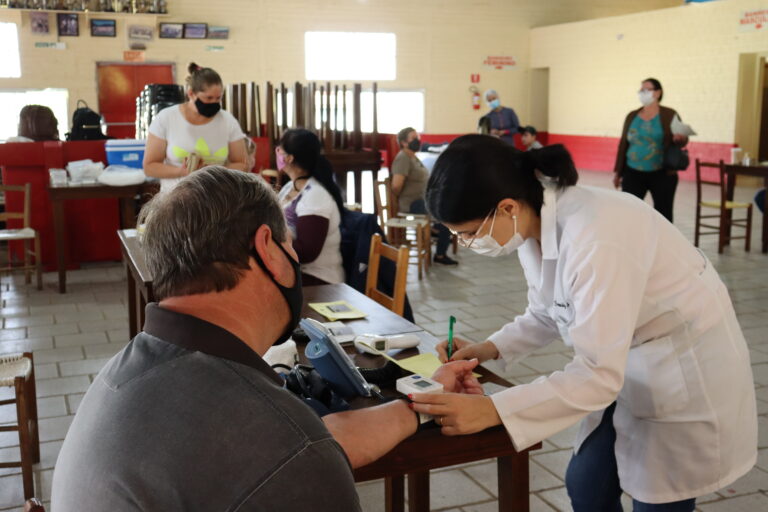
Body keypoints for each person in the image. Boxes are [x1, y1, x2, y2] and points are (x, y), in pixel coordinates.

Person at [51, 167, 483, 511]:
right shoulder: (283, 445)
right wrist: (305, 444)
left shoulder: (131, 368)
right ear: (268, 250)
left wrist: (423, 402)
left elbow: (321, 438)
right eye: (288, 244)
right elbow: (297, 449)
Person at [411, 135, 757, 512]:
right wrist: (489, 348)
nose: (465, 244)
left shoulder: (594, 238)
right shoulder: (533, 222)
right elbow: (549, 309)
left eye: (468, 233)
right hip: (621, 355)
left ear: (507, 207)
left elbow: (597, 374)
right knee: (587, 484)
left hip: (679, 365)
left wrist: (493, 410)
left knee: (658, 499)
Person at [143, 63, 247, 193]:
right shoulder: (166, 118)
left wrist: (215, 171)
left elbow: (242, 164)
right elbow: (150, 167)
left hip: (217, 195)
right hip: (176, 196)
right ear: (191, 94)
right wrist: (183, 171)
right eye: (208, 98)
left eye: (218, 98)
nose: (214, 103)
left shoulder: (228, 121)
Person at [613, 78, 688, 222]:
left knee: (663, 215)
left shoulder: (670, 114)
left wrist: (680, 138)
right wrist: (618, 172)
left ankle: (662, 237)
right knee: (629, 213)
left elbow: (683, 139)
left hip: (662, 173)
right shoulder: (632, 116)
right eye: (641, 90)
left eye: (647, 90)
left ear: (658, 93)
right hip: (632, 172)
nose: (643, 93)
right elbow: (623, 144)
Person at [277, 128, 346, 285]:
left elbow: (307, 252)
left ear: (289, 158)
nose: (277, 152)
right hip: (294, 270)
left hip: (319, 278)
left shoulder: (315, 195)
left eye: (279, 149)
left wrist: (269, 243)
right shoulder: (290, 187)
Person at [391, 127, 457, 265]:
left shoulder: (412, 157)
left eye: (418, 137)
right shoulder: (403, 158)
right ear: (403, 142)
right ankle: (439, 253)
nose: (417, 140)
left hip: (421, 200)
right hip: (412, 203)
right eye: (413, 138)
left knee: (446, 208)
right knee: (444, 215)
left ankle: (435, 231)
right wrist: (398, 202)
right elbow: (396, 186)